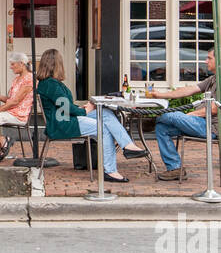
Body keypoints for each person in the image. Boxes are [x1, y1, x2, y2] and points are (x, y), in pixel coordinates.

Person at [34, 48, 147, 184]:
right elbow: (66, 108)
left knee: (105, 113)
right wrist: (85, 111)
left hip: (64, 118)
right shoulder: (51, 85)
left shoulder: (48, 83)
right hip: (63, 123)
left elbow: (63, 105)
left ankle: (128, 145)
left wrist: (81, 108)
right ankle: (110, 171)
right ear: (56, 64)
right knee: (104, 129)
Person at [146, 46, 221, 181]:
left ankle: (151, 121)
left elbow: (213, 109)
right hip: (201, 122)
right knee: (162, 128)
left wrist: (188, 116)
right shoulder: (215, 78)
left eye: (209, 58)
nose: (206, 61)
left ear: (220, 60)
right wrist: (160, 95)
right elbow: (190, 90)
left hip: (210, 127)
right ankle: (175, 168)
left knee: (168, 116)